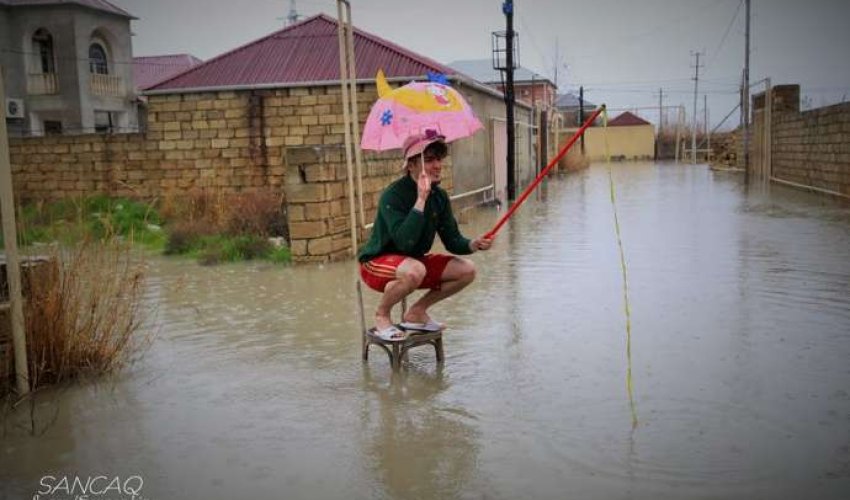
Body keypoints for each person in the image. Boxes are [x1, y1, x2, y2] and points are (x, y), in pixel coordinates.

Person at [359, 130, 493, 341]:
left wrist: (474, 244)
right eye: (429, 160)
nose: (437, 165)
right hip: (376, 264)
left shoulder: (439, 197)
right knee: (415, 270)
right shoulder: (392, 196)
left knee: (467, 270)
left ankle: (416, 312)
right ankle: (382, 314)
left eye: (439, 159)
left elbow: (452, 240)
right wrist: (421, 199)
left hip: (414, 265)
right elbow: (404, 242)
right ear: (411, 165)